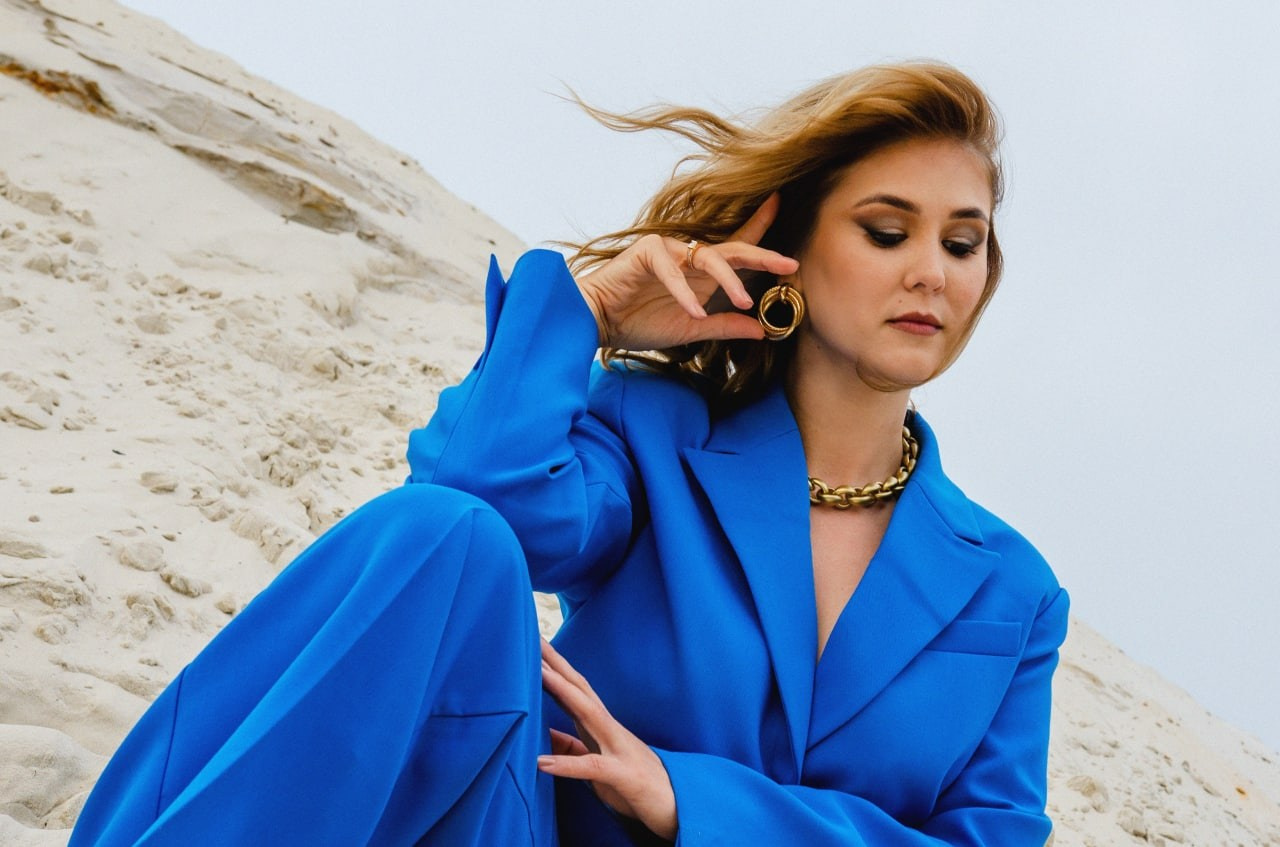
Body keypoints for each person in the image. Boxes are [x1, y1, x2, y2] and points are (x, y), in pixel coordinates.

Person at [70, 61, 1068, 846]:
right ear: (792, 250)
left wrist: (688, 798)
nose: (929, 274)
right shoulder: (655, 434)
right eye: (888, 231)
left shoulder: (1009, 595)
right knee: (446, 535)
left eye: (961, 242)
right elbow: (467, 495)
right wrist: (584, 309)